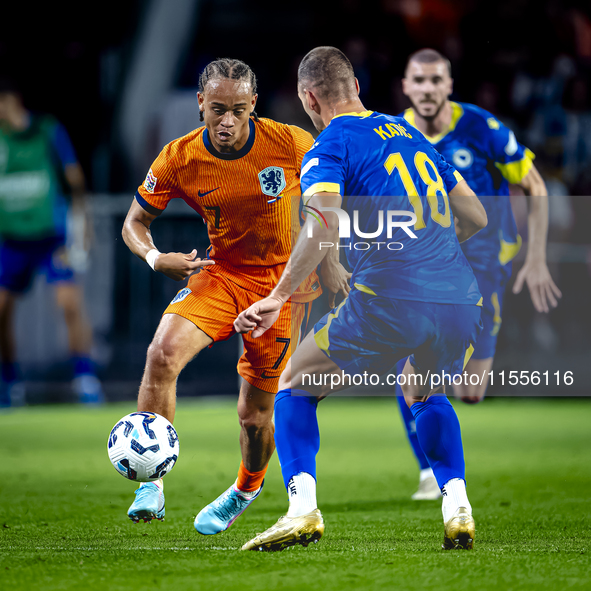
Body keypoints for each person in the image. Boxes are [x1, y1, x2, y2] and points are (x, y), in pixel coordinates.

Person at [234, 46, 488, 551]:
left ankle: (301, 510)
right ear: (355, 86)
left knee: (294, 384)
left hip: (393, 300)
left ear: (309, 97)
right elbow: (477, 216)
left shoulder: (331, 145)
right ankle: (457, 505)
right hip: (460, 299)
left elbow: (323, 222)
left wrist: (278, 296)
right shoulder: (409, 130)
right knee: (425, 393)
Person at [122, 58, 348, 531]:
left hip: (283, 287)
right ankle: (150, 482)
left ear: (253, 107)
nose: (227, 121)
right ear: (200, 103)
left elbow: (328, 206)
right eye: (218, 109)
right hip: (221, 273)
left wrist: (330, 264)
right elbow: (134, 222)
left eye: (239, 111)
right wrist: (153, 257)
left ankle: (246, 487)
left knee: (254, 415)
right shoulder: (178, 157)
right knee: (161, 354)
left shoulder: (290, 143)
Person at [395, 48, 562, 501]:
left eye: (436, 81)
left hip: (481, 268)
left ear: (449, 86)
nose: (428, 89)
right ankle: (433, 472)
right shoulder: (392, 133)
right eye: (419, 81)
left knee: (470, 390)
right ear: (406, 87)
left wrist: (536, 258)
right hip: (423, 265)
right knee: (409, 366)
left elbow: (535, 185)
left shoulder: (482, 129)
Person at [0, 78, 103, 406]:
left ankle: (85, 378)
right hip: (11, 240)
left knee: (70, 305)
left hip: (52, 238)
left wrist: (83, 222)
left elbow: (75, 179)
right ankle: (10, 383)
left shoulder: (47, 130)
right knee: (1, 311)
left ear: (11, 100)